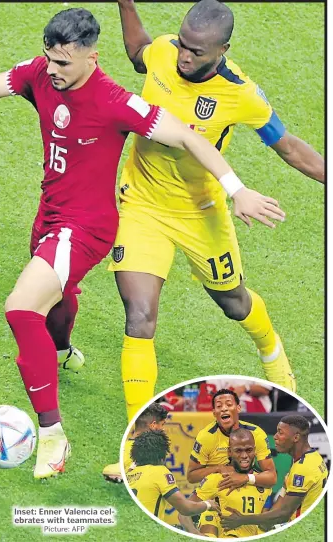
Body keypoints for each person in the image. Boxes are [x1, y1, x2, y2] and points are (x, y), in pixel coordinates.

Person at [0, 8, 278, 479]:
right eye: (49, 59)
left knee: (22, 309)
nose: (53, 71)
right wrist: (39, 69)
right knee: (56, 299)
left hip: (87, 226)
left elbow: (185, 136)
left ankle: (53, 437)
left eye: (64, 64)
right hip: (50, 215)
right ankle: (63, 353)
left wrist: (235, 187)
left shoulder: (114, 100)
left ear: (91, 58)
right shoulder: (39, 74)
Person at [109, 0, 324, 423]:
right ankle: (138, 435)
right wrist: (126, 5)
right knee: (139, 315)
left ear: (222, 49)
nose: (184, 56)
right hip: (142, 204)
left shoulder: (239, 92)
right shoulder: (166, 51)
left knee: (233, 302)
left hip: (200, 211)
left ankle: (272, 352)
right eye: (183, 45)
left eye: (196, 52)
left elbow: (288, 145)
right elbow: (140, 52)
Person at [187, 389, 277, 533]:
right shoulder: (206, 437)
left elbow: (272, 477)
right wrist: (218, 468)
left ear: (238, 408)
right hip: (215, 496)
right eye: (219, 406)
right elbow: (191, 476)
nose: (224, 408)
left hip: (249, 492)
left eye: (228, 404)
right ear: (214, 412)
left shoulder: (256, 433)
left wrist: (244, 478)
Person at [220, 415, 328, 532]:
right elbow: (282, 500)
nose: (275, 437)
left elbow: (284, 513)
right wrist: (264, 525)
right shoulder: (312, 457)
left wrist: (243, 520)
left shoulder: (303, 468)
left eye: (280, 433)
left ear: (296, 437)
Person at [178, 429, 272, 538]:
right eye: (238, 451)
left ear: (255, 451)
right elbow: (183, 512)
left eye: (249, 450)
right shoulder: (216, 480)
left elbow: (265, 524)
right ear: (229, 452)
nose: (244, 455)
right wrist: (197, 535)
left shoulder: (263, 482)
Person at [126, 430, 220, 520]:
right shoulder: (159, 471)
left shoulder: (128, 475)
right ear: (162, 456)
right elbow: (185, 508)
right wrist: (208, 504)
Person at [103, 402, 168, 482]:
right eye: (162, 424)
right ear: (153, 425)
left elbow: (110, 470)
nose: (163, 429)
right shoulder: (152, 452)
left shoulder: (125, 446)